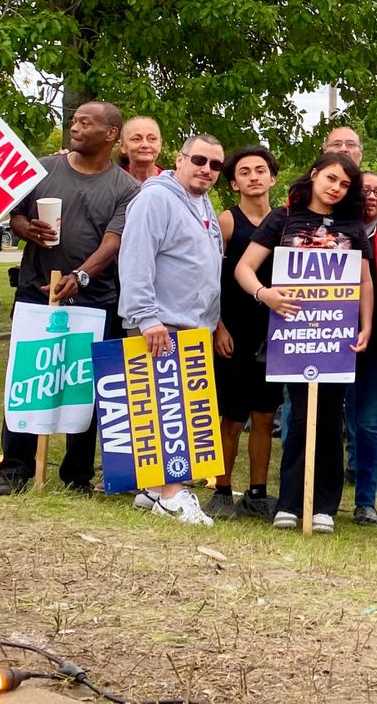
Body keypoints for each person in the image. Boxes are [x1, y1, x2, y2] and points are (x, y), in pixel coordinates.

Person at [0, 101, 140, 495]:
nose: (74, 128)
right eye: (74, 121)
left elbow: (114, 241)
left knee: (85, 384)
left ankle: (76, 475)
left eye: (85, 123)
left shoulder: (126, 188)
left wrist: (81, 275)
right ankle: (15, 471)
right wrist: (26, 228)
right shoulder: (43, 168)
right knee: (27, 378)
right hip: (35, 291)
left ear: (110, 135)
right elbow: (16, 215)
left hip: (95, 300)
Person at [233, 151, 374, 533]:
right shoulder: (283, 219)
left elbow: (364, 281)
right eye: (331, 179)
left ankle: (324, 505)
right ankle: (291, 501)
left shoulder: (353, 226)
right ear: (313, 175)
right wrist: (265, 294)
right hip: (292, 334)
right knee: (298, 415)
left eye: (345, 184)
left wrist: (366, 325)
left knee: (330, 416)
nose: (336, 188)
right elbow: (243, 268)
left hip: (335, 334)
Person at [119, 134, 227, 526]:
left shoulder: (202, 201)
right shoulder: (156, 198)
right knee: (170, 413)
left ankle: (153, 488)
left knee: (170, 410)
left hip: (193, 325)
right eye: (200, 160)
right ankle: (173, 494)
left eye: (216, 165)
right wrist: (147, 317)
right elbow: (135, 258)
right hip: (162, 323)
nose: (207, 170)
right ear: (179, 159)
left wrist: (212, 324)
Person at [212, 145, 282, 519]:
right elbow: (211, 278)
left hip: (273, 333)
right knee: (232, 417)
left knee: (265, 416)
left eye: (260, 170)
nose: (253, 176)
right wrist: (217, 325)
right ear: (234, 182)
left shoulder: (286, 223)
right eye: (244, 172)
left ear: (273, 178)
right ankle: (222, 490)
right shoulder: (227, 221)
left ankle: (257, 492)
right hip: (233, 330)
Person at [345, 171, 377, 525]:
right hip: (329, 339)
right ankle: (319, 497)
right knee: (328, 419)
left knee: (367, 421)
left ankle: (366, 500)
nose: (373, 197)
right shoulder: (335, 230)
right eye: (366, 191)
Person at [324, 126, 377, 215]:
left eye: (351, 144)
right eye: (336, 144)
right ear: (324, 151)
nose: (344, 149)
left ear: (360, 154)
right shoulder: (310, 189)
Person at [119, 116, 164, 183]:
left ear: (160, 144)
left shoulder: (172, 184)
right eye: (136, 139)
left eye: (152, 139)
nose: (145, 145)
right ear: (122, 146)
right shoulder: (112, 181)